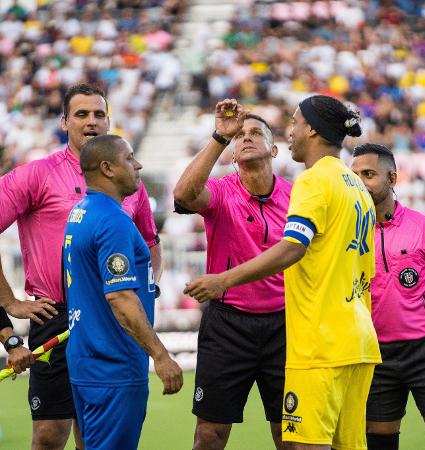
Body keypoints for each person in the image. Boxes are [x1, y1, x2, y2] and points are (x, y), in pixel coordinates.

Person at [184, 95, 382, 450]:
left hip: (314, 337)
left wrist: (222, 280)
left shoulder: (309, 184)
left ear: (310, 129)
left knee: (301, 442)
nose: (291, 131)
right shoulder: (358, 188)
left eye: (293, 123)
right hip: (357, 337)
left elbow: (293, 248)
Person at [0, 83, 162, 450]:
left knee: (95, 435)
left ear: (109, 120)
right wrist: (10, 304)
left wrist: (148, 291)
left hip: (110, 318)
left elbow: (151, 243)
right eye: (82, 114)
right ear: (64, 122)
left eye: (99, 114)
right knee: (49, 435)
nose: (92, 121)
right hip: (55, 316)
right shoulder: (36, 174)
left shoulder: (128, 180)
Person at [173, 99, 292, 450]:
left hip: (285, 324)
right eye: (241, 135)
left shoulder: (297, 196)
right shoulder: (223, 190)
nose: (247, 137)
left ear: (273, 149)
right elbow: (182, 195)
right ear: (233, 152)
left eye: (256, 133)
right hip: (227, 325)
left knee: (289, 434)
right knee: (209, 435)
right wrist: (219, 138)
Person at [63, 134, 183, 450]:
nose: (138, 164)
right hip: (113, 366)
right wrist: (160, 354)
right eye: (129, 158)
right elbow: (120, 297)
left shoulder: (80, 212)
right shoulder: (112, 221)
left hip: (86, 360)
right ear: (108, 169)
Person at [351, 144, 425, 450]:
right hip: (375, 356)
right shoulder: (345, 232)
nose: (361, 183)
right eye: (354, 176)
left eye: (368, 174)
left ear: (392, 177)